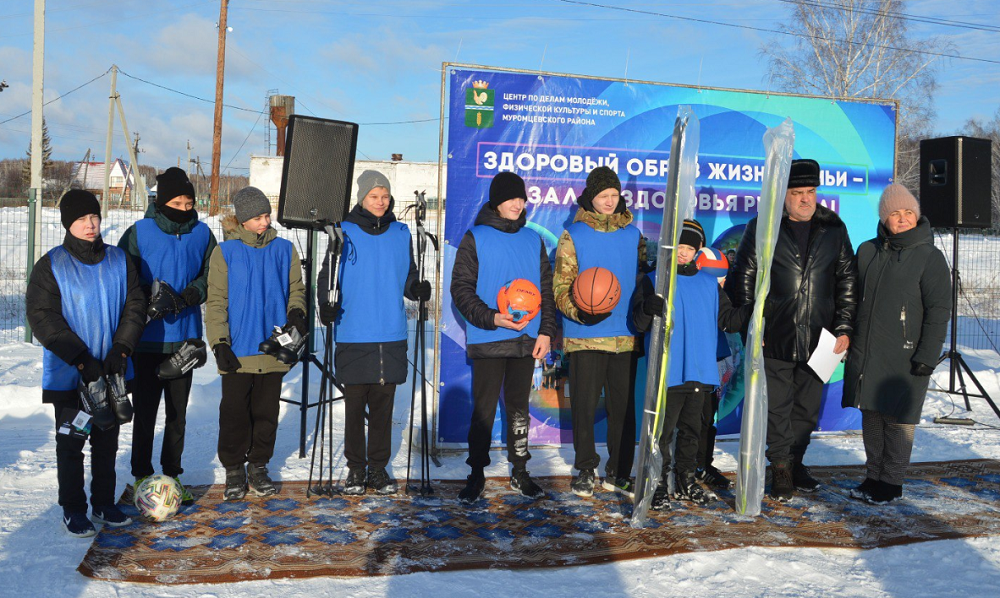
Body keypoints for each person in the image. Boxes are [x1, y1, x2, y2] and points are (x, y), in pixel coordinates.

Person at [725, 158, 857, 501]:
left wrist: (843, 326)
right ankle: (780, 467)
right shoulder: (762, 228)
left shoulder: (834, 229)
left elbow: (847, 280)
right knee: (778, 407)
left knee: (806, 409)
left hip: (821, 337)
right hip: (775, 335)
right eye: (797, 192)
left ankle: (796, 462)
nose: (805, 199)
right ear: (782, 195)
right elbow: (743, 279)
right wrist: (752, 326)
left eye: (810, 191)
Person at [26, 190, 145, 537]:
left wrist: (121, 348)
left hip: (111, 371)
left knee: (107, 441)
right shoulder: (51, 266)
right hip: (70, 375)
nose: (90, 225)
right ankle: (74, 509)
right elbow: (43, 316)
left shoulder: (119, 260)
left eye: (94, 217)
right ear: (68, 224)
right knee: (71, 442)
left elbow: (134, 306)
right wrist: (80, 359)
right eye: (81, 220)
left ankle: (104, 503)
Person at [316, 170, 429, 496]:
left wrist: (417, 288)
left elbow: (407, 276)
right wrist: (326, 303)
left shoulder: (400, 233)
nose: (380, 202)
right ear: (362, 198)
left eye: (384, 196)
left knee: (383, 409)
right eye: (373, 196)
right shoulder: (344, 232)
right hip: (353, 330)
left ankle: (378, 469)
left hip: (390, 332)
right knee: (354, 409)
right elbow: (327, 277)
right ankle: (355, 469)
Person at [451, 171, 556, 502]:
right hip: (489, 338)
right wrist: (491, 317)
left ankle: (520, 471)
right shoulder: (476, 236)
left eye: (522, 198)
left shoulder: (532, 240)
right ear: (497, 201)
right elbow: (461, 288)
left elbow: (547, 290)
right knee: (483, 409)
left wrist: (547, 331)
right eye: (512, 198)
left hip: (527, 341)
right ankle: (476, 473)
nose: (518, 203)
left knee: (519, 410)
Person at [842, 184, 950, 504]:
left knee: (899, 420)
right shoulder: (866, 251)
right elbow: (849, 298)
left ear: (916, 217)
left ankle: (892, 481)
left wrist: (927, 356)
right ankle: (873, 475)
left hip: (907, 355)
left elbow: (939, 311)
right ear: (883, 218)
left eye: (907, 213)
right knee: (872, 416)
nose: (901, 219)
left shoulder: (929, 257)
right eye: (894, 213)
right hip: (867, 350)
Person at [632, 220, 751, 510]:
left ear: (699, 249)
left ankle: (685, 482)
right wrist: (647, 308)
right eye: (679, 247)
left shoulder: (709, 283)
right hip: (669, 373)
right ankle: (658, 483)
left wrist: (755, 307)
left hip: (700, 372)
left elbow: (729, 321)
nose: (683, 253)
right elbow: (637, 322)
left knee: (691, 432)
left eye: (689, 247)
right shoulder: (655, 279)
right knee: (663, 432)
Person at [118, 167, 217, 503]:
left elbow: (211, 273)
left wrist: (190, 294)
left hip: (185, 339)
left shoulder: (203, 234)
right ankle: (142, 476)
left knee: (177, 414)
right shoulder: (139, 232)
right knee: (145, 411)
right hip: (147, 339)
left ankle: (172, 476)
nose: (184, 207)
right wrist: (149, 295)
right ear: (161, 202)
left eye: (189, 202)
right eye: (177, 201)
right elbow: (124, 274)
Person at [206, 186, 306, 500]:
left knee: (266, 412)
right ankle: (234, 469)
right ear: (242, 220)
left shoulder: (284, 249)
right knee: (235, 412)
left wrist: (297, 314)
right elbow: (217, 301)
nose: (264, 221)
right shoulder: (225, 252)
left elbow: (296, 289)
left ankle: (258, 465)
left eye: (266, 215)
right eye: (257, 217)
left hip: (274, 347)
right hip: (237, 349)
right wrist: (219, 342)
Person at [554, 166, 645, 498]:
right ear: (590, 198)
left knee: (623, 408)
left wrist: (644, 310)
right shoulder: (573, 235)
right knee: (584, 405)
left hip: (625, 335)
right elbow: (561, 286)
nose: (609, 201)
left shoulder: (634, 236)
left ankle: (619, 472)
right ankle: (586, 468)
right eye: (603, 196)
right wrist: (579, 312)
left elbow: (642, 282)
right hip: (585, 334)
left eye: (614, 195)